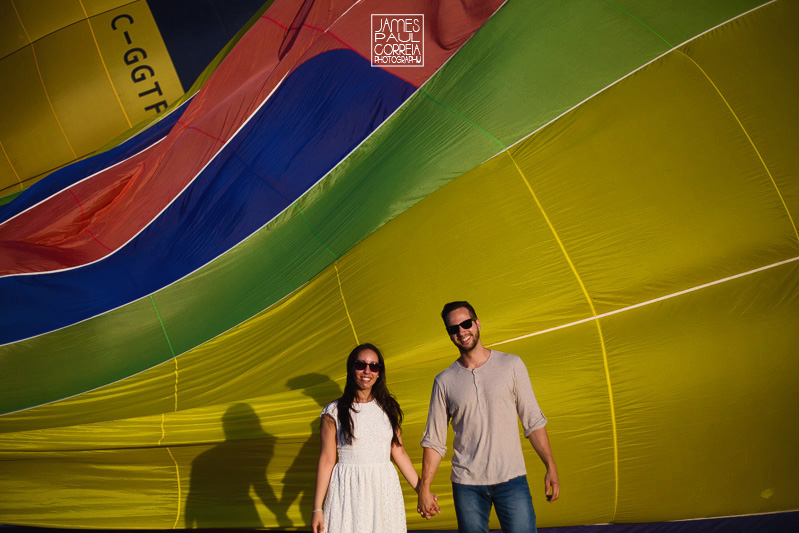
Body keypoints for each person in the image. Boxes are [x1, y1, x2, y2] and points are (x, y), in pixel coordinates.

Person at [417, 301, 560, 533]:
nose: (462, 331)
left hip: (511, 479)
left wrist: (550, 465)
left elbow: (532, 421)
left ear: (477, 323)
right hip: (467, 486)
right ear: (449, 334)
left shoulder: (512, 365)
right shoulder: (444, 381)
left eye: (466, 324)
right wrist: (425, 487)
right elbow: (434, 440)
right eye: (454, 329)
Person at [312, 343, 430, 532]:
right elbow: (327, 460)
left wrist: (422, 491)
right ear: (351, 368)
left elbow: (399, 452)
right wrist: (317, 508)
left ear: (379, 372)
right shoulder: (333, 411)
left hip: (383, 489)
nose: (367, 371)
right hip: (348, 492)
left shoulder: (389, 408)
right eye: (361, 365)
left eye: (374, 366)